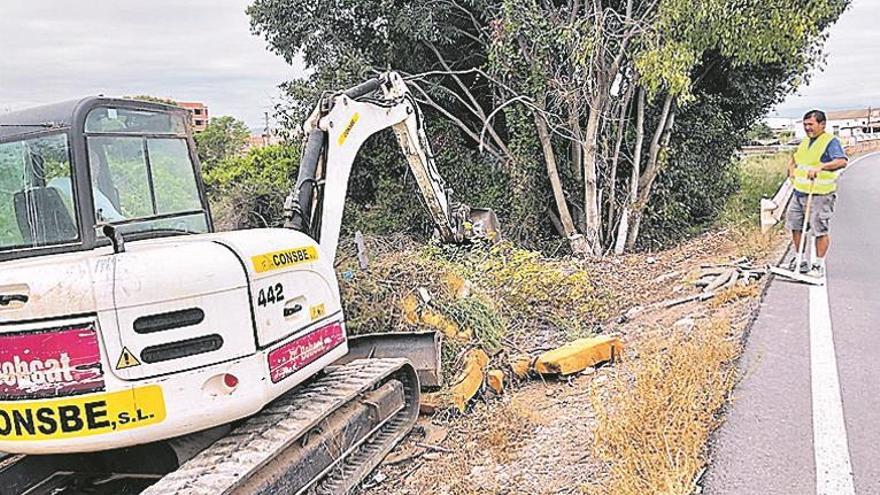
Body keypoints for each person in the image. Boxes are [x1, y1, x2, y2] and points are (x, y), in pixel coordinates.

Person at [786, 109, 848, 277]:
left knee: (819, 229)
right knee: (795, 226)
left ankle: (818, 265)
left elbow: (841, 161)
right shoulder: (805, 141)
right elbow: (796, 158)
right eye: (805, 125)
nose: (807, 128)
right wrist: (791, 167)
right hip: (799, 193)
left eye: (810, 124)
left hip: (820, 194)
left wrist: (821, 166)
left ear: (822, 124)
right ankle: (800, 261)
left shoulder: (830, 141)